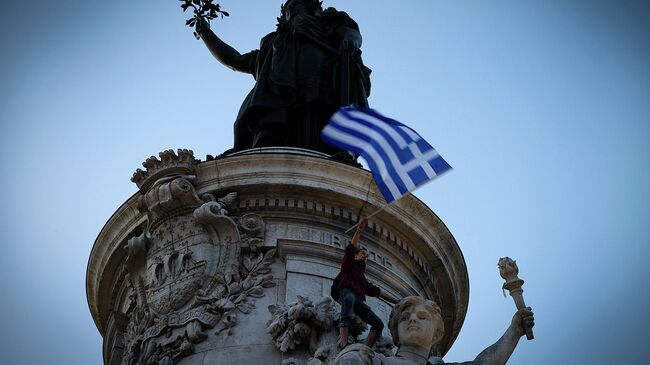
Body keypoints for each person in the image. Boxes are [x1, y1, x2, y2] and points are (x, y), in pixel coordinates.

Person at [195, 0, 371, 156]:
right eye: (287, 9)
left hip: (322, 94)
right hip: (275, 100)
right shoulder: (272, 45)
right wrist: (205, 32)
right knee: (251, 125)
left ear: (310, 8)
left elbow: (351, 34)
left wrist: (352, 41)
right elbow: (233, 59)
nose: (291, 10)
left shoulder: (327, 28)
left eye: (296, 4)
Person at [334, 296, 535, 365]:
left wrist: (514, 330)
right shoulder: (374, 360)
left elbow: (484, 363)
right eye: (404, 318)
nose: (412, 319)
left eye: (422, 317)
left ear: (437, 332)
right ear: (395, 332)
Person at [337, 218, 384, 349]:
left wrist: (398, 301)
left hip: (358, 301)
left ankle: (365, 349)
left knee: (378, 323)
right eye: (363, 253)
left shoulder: (362, 279)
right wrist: (359, 230)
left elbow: (377, 292)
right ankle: (344, 343)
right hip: (347, 294)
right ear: (356, 256)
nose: (365, 256)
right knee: (349, 298)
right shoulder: (348, 266)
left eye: (367, 256)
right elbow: (350, 248)